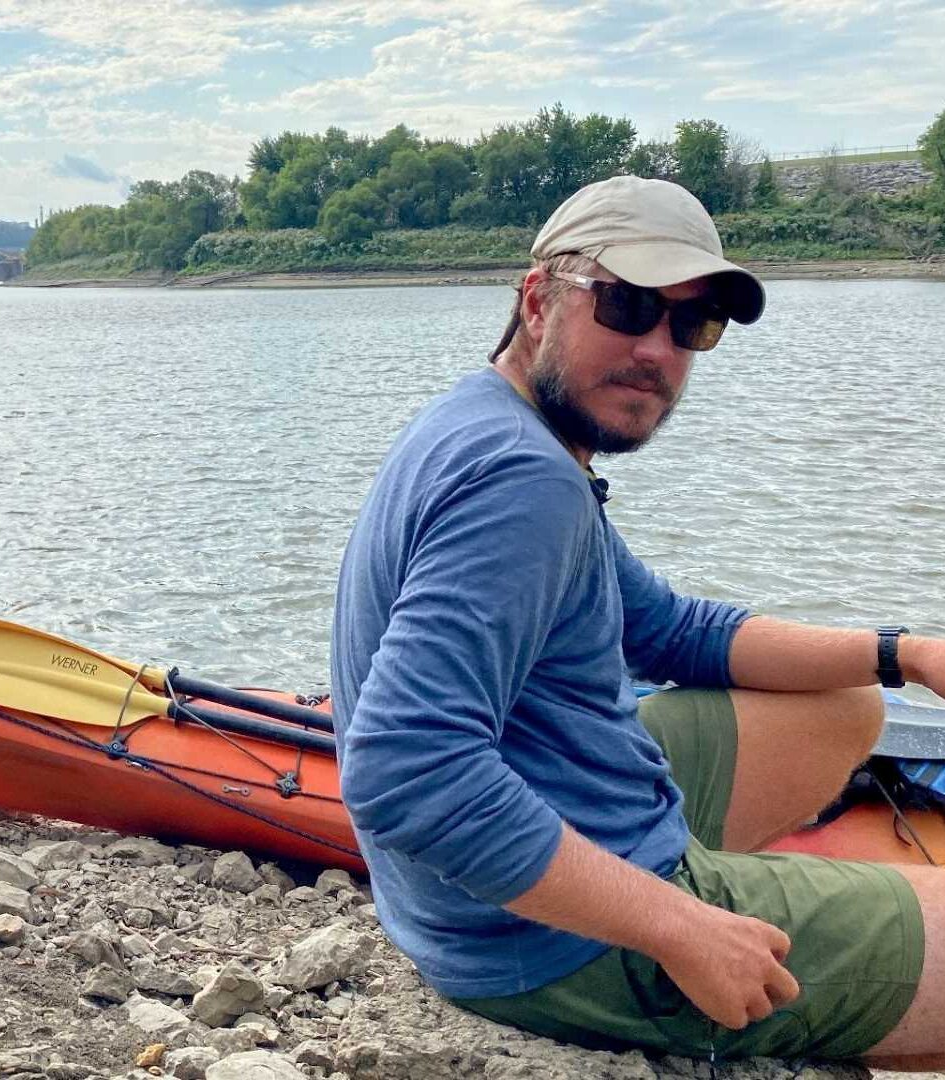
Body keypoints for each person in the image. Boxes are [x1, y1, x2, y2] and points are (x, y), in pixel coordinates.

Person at [329, 175, 945, 1068]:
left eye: (693, 324)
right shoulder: (524, 482)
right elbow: (405, 766)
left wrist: (905, 655)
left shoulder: (492, 420)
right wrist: (678, 925)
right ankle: (692, 919)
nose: (657, 349)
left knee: (849, 705)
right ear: (537, 301)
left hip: (479, 890)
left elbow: (668, 629)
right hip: (543, 947)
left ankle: (710, 888)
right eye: (626, 305)